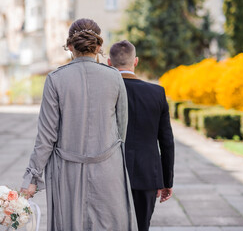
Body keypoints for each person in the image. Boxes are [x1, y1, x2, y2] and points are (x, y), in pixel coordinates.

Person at [20, 19, 137, 231]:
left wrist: (31, 177)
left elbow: (46, 137)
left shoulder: (55, 79)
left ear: (70, 46)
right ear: (99, 47)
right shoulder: (114, 77)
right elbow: (122, 129)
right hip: (109, 169)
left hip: (68, 173)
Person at [108, 40, 175, 231]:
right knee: (142, 227)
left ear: (109, 62)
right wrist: (166, 181)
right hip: (147, 175)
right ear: (135, 61)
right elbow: (167, 141)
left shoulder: (105, 93)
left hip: (111, 174)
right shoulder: (157, 93)